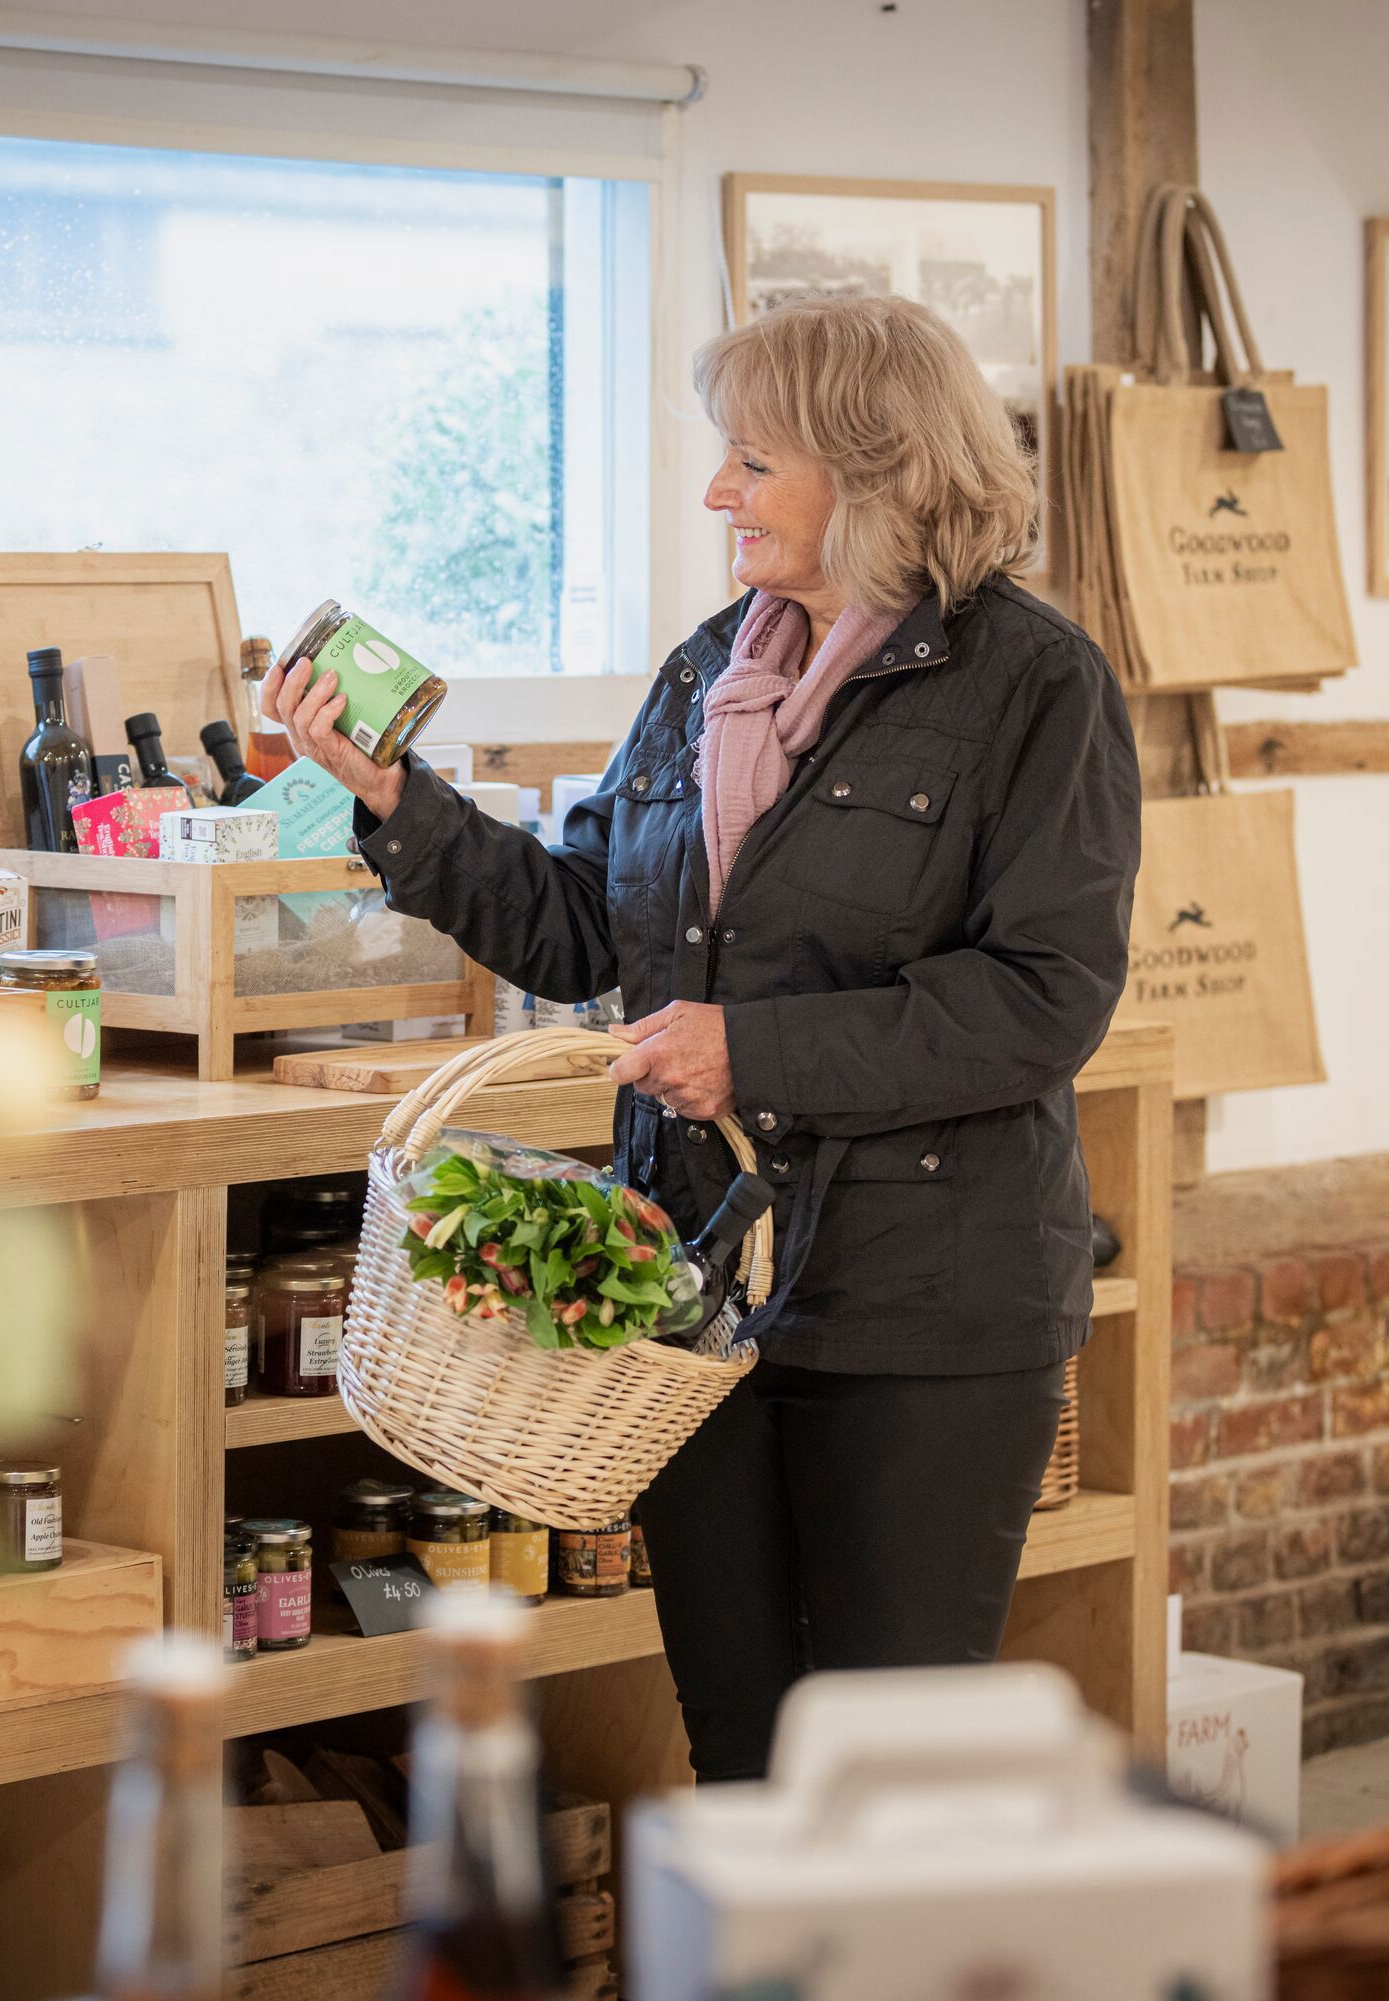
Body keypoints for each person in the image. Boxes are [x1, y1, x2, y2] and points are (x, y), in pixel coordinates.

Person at [264, 292, 1140, 1780]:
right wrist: (399, 804)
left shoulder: (1035, 685)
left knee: (887, 1776)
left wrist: (759, 1053)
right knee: (741, 1752)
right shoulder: (704, 674)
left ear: (874, 467)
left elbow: (1042, 1001)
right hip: (695, 1310)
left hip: (926, 1315)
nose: (720, 492)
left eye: (752, 460)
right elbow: (588, 928)